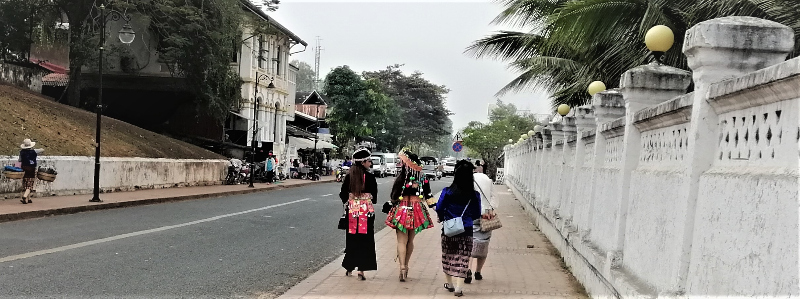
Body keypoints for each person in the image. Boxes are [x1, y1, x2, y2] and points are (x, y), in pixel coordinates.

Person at [385, 148, 434, 282]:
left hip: (401, 210)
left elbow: (394, 196)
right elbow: (429, 196)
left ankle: (401, 267)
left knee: (401, 240)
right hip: (417, 210)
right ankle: (406, 265)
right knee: (410, 241)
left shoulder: (402, 178)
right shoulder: (423, 178)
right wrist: (436, 208)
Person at [435, 160, 481, 297]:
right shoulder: (474, 195)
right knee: (463, 257)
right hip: (466, 229)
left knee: (448, 255)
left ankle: (449, 284)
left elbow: (439, 207)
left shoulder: (447, 192)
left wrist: (444, 217)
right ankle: (459, 288)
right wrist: (466, 218)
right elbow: (477, 213)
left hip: (448, 228)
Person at [339, 148, 379, 280]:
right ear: (363, 162)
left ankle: (349, 265)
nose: (370, 163)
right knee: (365, 239)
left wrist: (350, 201)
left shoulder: (349, 176)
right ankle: (362, 269)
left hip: (352, 211)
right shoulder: (370, 177)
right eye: (368, 161)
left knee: (352, 238)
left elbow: (343, 194)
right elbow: (374, 196)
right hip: (366, 211)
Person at [465, 171, 496, 284]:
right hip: (486, 216)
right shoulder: (488, 181)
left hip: (471, 214)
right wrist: (491, 210)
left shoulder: (468, 181)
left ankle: (468, 269)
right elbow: (494, 198)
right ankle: (478, 272)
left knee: (469, 243)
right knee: (483, 243)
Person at [19, 138, 44, 204]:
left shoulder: (21, 152)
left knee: (26, 183)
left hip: (24, 168)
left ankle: (29, 198)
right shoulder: (34, 151)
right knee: (30, 185)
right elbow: (41, 150)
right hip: (31, 169)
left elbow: (19, 160)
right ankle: (25, 196)